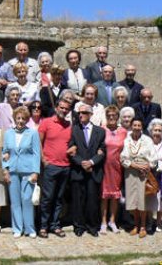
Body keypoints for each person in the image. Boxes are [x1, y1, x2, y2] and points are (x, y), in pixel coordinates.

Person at [2, 106, 41, 238]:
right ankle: (17, 228)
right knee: (15, 201)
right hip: (13, 171)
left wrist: (36, 172)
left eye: (23, 118)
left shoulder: (33, 133)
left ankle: (30, 228)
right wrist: (5, 169)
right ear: (14, 119)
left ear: (27, 120)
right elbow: (5, 153)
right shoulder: (8, 133)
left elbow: (37, 154)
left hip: (28, 171)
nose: (20, 121)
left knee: (27, 199)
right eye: (18, 118)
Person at [69, 104, 106, 237]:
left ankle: (92, 226)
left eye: (84, 112)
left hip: (93, 171)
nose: (81, 115)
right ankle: (79, 226)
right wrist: (81, 163)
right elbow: (71, 149)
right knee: (78, 200)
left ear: (91, 114)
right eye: (79, 113)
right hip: (78, 171)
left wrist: (91, 162)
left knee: (92, 200)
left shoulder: (100, 131)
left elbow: (102, 151)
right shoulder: (74, 130)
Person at [38, 99, 72, 238]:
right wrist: (43, 160)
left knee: (59, 198)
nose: (64, 110)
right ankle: (43, 226)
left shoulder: (69, 125)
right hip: (51, 166)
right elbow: (39, 142)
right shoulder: (46, 122)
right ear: (57, 107)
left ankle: (55, 225)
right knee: (47, 198)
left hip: (65, 167)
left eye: (66, 109)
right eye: (62, 108)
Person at [120, 118, 157, 238]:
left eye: (138, 125)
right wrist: (134, 165)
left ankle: (143, 227)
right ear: (131, 126)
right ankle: (135, 225)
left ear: (142, 127)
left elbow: (154, 158)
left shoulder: (147, 140)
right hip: (131, 172)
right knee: (133, 201)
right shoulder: (127, 140)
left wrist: (147, 166)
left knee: (142, 201)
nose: (136, 127)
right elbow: (122, 158)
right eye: (134, 125)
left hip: (143, 174)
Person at [100, 106, 127, 235]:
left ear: (117, 117)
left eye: (114, 115)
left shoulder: (123, 131)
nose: (111, 117)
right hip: (104, 166)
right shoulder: (101, 130)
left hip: (117, 167)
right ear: (106, 116)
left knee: (115, 196)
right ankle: (103, 222)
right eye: (109, 115)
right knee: (104, 196)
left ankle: (113, 221)